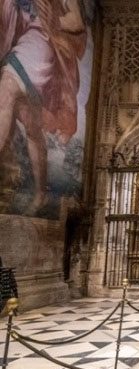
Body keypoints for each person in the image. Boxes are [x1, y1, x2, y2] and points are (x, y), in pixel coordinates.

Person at [0, 0, 87, 215]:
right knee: (32, 126)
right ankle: (40, 193)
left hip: (41, 41)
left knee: (7, 85)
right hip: (24, 38)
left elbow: (76, 22)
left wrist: (52, 21)